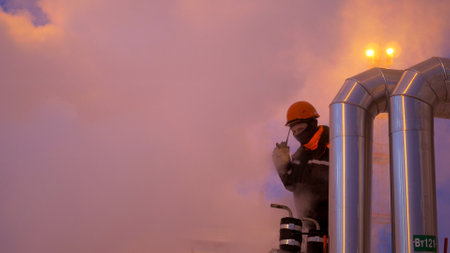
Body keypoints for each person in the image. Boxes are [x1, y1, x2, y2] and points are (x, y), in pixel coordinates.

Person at [272, 101, 329, 236]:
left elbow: (337, 186)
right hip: (309, 227)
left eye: (301, 129)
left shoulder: (332, 145)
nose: (298, 134)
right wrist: (283, 166)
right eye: (294, 131)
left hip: (333, 227)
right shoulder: (301, 154)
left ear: (312, 123)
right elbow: (291, 185)